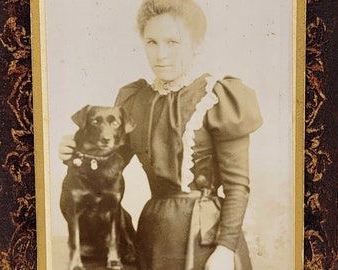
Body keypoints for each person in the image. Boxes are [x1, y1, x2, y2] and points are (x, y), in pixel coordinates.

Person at [59, 0, 263, 269]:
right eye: (151, 42)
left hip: (206, 240)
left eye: (173, 42)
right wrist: (78, 153)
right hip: (154, 234)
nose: (161, 55)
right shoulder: (134, 100)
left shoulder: (216, 97)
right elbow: (107, 167)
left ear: (196, 44)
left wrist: (224, 249)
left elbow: (237, 186)